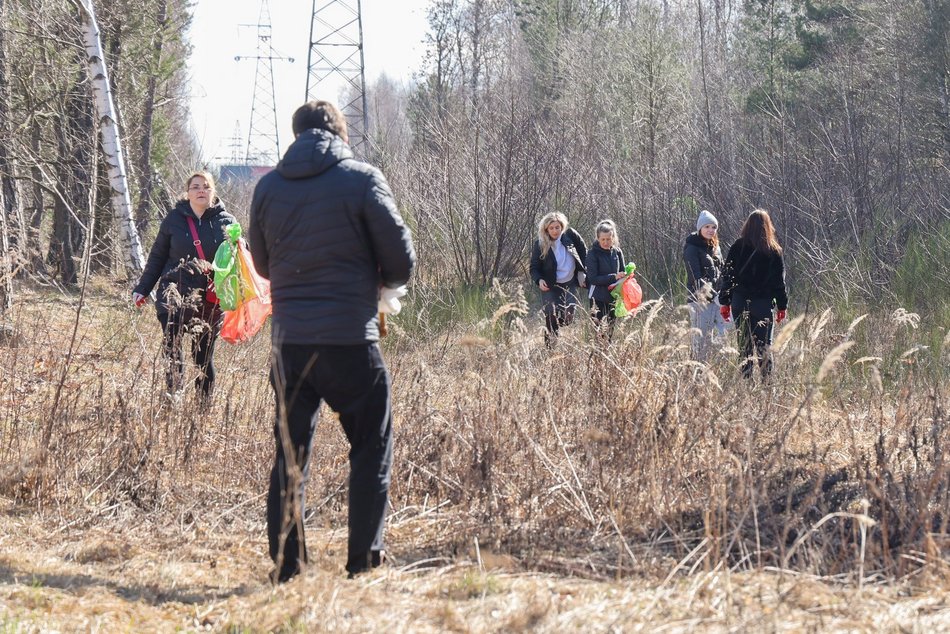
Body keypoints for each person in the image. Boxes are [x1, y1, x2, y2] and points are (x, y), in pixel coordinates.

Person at [248, 100, 415, 582]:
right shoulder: (362, 179)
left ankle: (288, 565)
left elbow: (261, 265)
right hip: (350, 341)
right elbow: (401, 261)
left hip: (291, 344)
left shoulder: (268, 186)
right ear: (340, 133)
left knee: (291, 453)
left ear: (296, 133)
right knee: (370, 443)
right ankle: (363, 560)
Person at [132, 171, 236, 399]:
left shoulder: (227, 222)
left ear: (213, 192)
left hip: (209, 300)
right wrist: (143, 288)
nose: (201, 190)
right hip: (173, 293)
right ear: (187, 193)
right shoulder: (173, 220)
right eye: (196, 187)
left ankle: (202, 408)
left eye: (206, 186)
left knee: (202, 357)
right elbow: (157, 257)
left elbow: (237, 265)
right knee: (172, 349)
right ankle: (173, 398)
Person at [718, 209, 788, 379]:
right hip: (763, 305)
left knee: (744, 347)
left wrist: (725, 302)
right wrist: (782, 306)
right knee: (764, 348)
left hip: (740, 302)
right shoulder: (774, 250)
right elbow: (779, 283)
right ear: (768, 226)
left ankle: (746, 386)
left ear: (747, 226)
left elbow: (728, 277)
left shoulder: (737, 246)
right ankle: (767, 387)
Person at [529, 212, 587, 344]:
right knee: (550, 317)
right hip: (550, 285)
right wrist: (539, 280)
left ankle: (555, 327)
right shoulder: (540, 244)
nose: (555, 231)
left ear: (562, 227)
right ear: (546, 229)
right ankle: (550, 348)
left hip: (569, 282)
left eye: (557, 227)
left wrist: (582, 272)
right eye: (551, 228)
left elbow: (584, 252)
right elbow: (534, 267)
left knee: (568, 318)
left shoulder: (571, 235)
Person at [683, 209, 726, 361]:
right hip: (699, 302)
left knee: (721, 340)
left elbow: (721, 273)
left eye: (713, 227)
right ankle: (697, 377)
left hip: (717, 301)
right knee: (701, 343)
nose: (710, 230)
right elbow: (695, 277)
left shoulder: (716, 247)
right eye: (707, 226)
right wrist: (713, 296)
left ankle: (712, 373)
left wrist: (724, 293)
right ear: (700, 228)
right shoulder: (691, 248)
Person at [585, 220, 625, 338]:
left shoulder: (617, 252)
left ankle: (607, 353)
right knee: (599, 332)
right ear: (598, 238)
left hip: (613, 296)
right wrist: (613, 277)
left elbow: (622, 272)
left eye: (608, 239)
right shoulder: (592, 254)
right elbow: (593, 279)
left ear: (613, 238)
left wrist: (627, 277)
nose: (606, 242)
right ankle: (598, 354)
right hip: (597, 297)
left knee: (610, 330)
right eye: (603, 239)